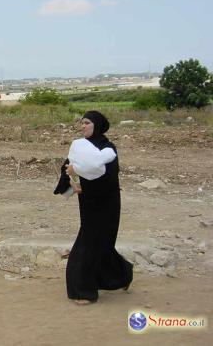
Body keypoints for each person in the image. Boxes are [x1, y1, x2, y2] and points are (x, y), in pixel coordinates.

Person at [54, 111, 133, 304]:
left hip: (106, 202)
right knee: (102, 244)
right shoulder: (81, 147)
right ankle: (122, 274)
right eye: (81, 123)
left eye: (87, 123)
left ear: (96, 125)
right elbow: (67, 166)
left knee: (87, 245)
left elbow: (108, 178)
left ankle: (82, 291)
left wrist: (80, 176)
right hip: (88, 202)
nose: (82, 126)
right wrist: (70, 183)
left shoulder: (108, 147)